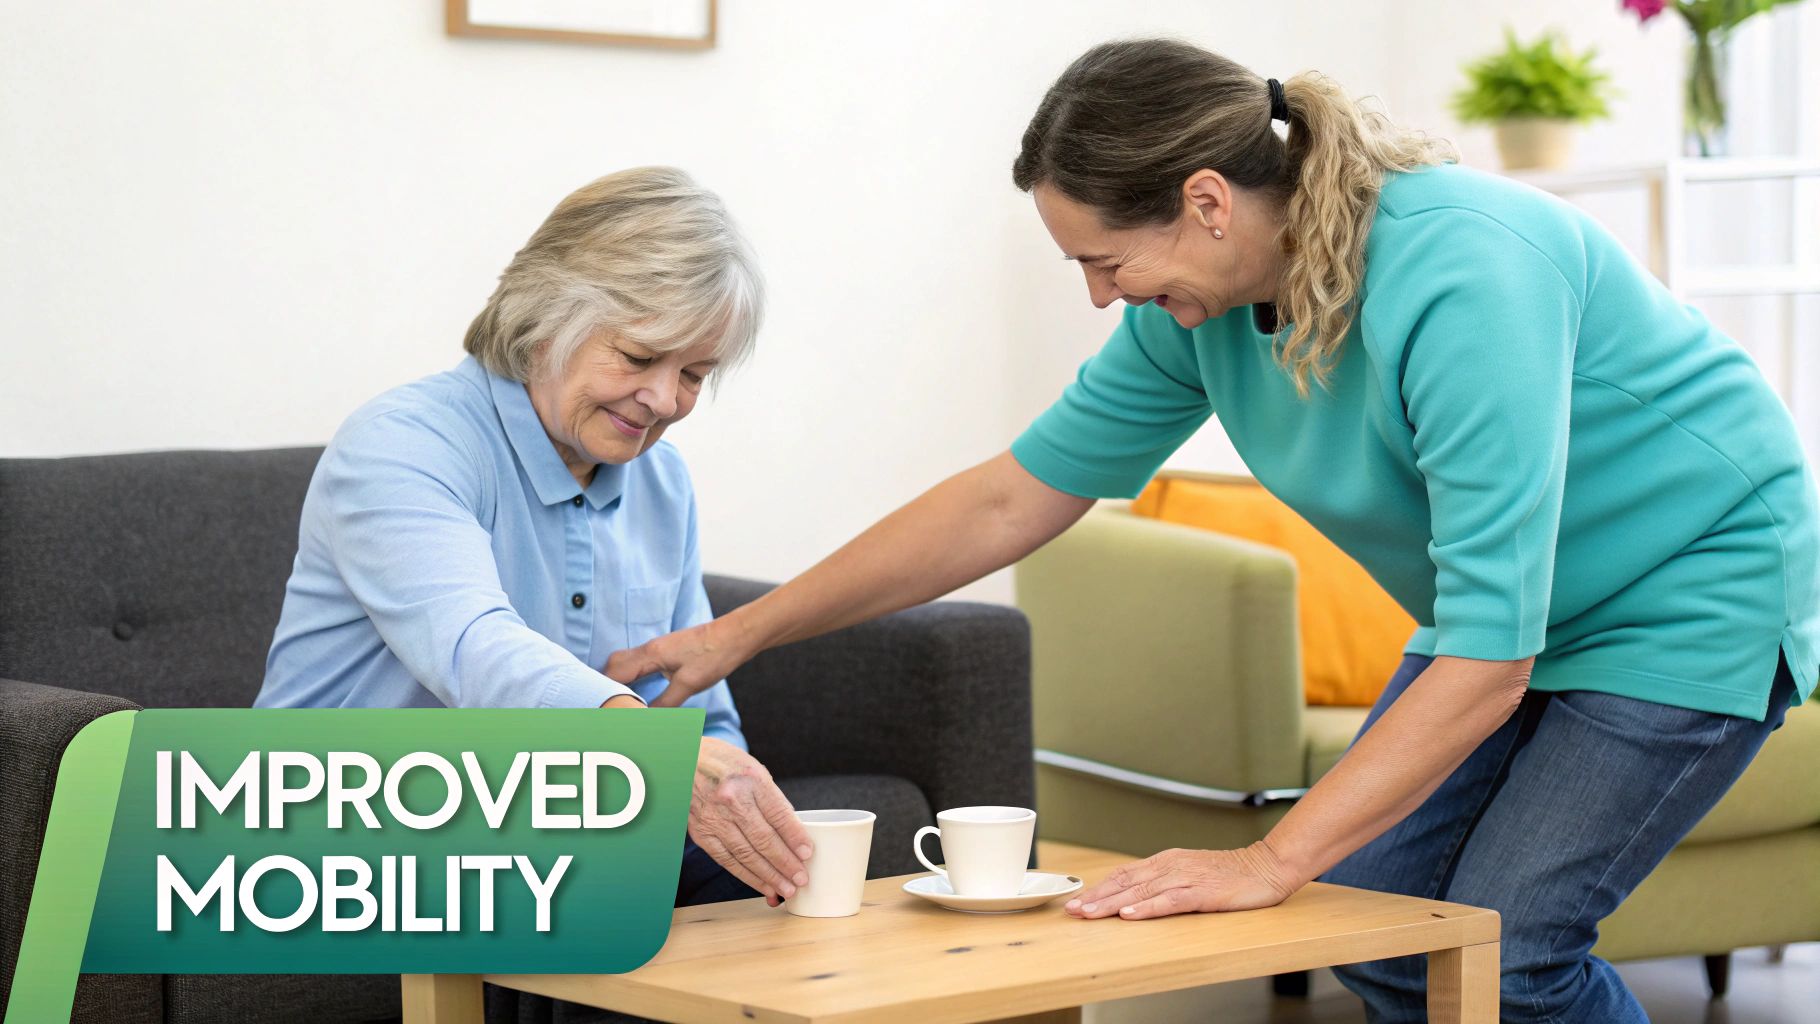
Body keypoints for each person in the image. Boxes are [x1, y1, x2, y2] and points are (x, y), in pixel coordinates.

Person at [605, 40, 1818, 1024]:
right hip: (1502, 617)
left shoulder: (1465, 272)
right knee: (1386, 937)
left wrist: (1267, 858)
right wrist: (738, 634)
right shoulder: (1200, 311)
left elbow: (1492, 657)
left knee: (1507, 958)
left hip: (1688, 587)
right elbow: (1007, 498)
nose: (1099, 295)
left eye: (1104, 259)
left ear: (1204, 202)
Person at [256, 167, 818, 933]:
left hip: (559, 823)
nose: (663, 401)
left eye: (692, 374)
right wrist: (648, 746)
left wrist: (731, 799)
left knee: (790, 884)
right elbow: (472, 643)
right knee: (615, 898)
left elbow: (695, 711)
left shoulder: (661, 481)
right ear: (545, 317)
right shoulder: (404, 445)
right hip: (344, 825)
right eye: (638, 357)